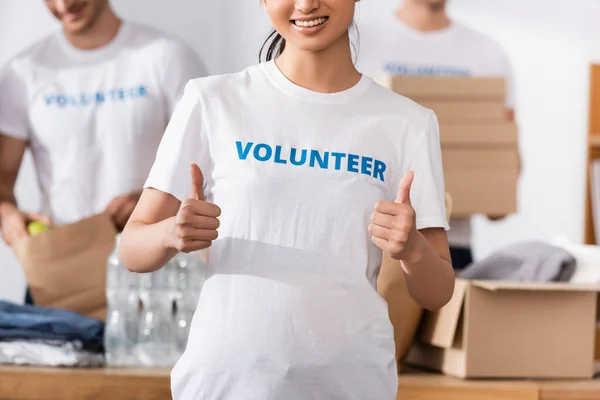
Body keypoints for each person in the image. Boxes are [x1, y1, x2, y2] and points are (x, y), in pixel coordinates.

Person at [119, 0, 454, 398]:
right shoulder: (212, 100)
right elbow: (131, 250)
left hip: (350, 384)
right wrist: (170, 233)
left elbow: (438, 292)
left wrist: (412, 248)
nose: (306, 4)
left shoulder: (408, 122)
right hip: (226, 383)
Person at [0, 0, 206, 285]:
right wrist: (8, 218)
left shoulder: (166, 56)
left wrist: (152, 202)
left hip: (153, 279)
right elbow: (2, 185)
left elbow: (207, 166)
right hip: (61, 274)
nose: (63, 4)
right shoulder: (23, 72)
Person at [357, 0, 516, 269]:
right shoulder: (358, 42)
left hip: (451, 248)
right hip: (368, 242)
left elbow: (498, 204)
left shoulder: (488, 54)